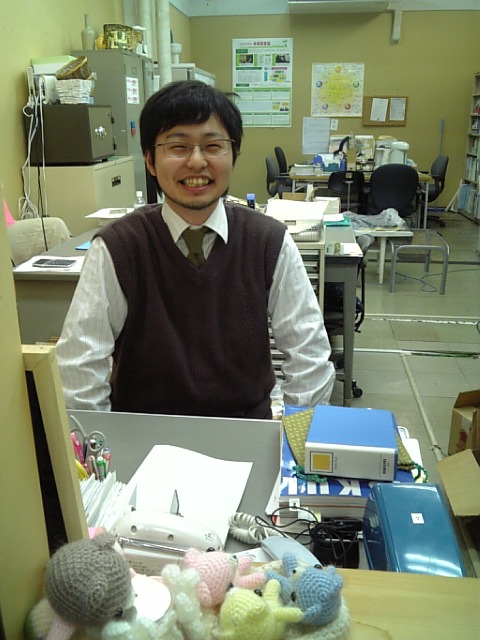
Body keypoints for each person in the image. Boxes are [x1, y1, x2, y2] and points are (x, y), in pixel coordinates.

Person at [56, 80, 335, 419]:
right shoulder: (119, 247)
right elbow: (79, 369)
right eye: (178, 147)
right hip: (143, 433)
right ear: (150, 161)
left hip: (244, 431)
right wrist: (103, 446)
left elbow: (309, 358)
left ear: (233, 155)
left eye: (213, 146)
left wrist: (292, 436)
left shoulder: (268, 242)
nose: (197, 161)